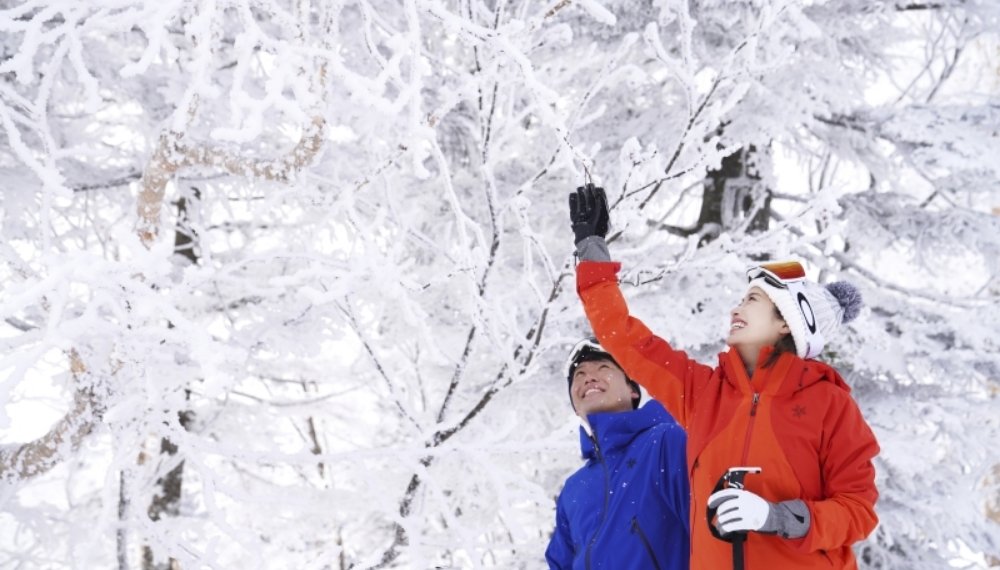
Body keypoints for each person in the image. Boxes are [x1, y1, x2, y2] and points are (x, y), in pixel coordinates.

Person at [567, 185, 879, 570]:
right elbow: (625, 339)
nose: (736, 307)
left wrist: (775, 517)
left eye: (752, 299)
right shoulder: (702, 394)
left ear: (786, 322)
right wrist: (591, 248)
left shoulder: (830, 405)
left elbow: (857, 510)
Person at [545, 338, 690, 570]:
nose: (589, 377)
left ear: (633, 389)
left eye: (604, 368)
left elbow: (708, 530)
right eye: (579, 374)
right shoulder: (573, 488)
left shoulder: (665, 443)